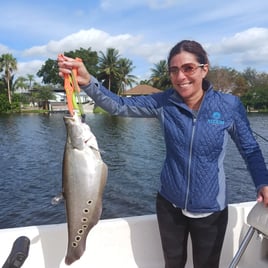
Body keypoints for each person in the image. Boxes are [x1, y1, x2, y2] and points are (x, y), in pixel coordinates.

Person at [58, 40, 268, 268]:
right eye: (174, 70)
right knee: (173, 264)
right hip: (169, 205)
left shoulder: (228, 105)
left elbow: (250, 149)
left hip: (211, 211)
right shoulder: (164, 102)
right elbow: (118, 105)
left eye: (188, 68)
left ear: (204, 68)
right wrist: (88, 81)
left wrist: (263, 183)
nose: (181, 77)